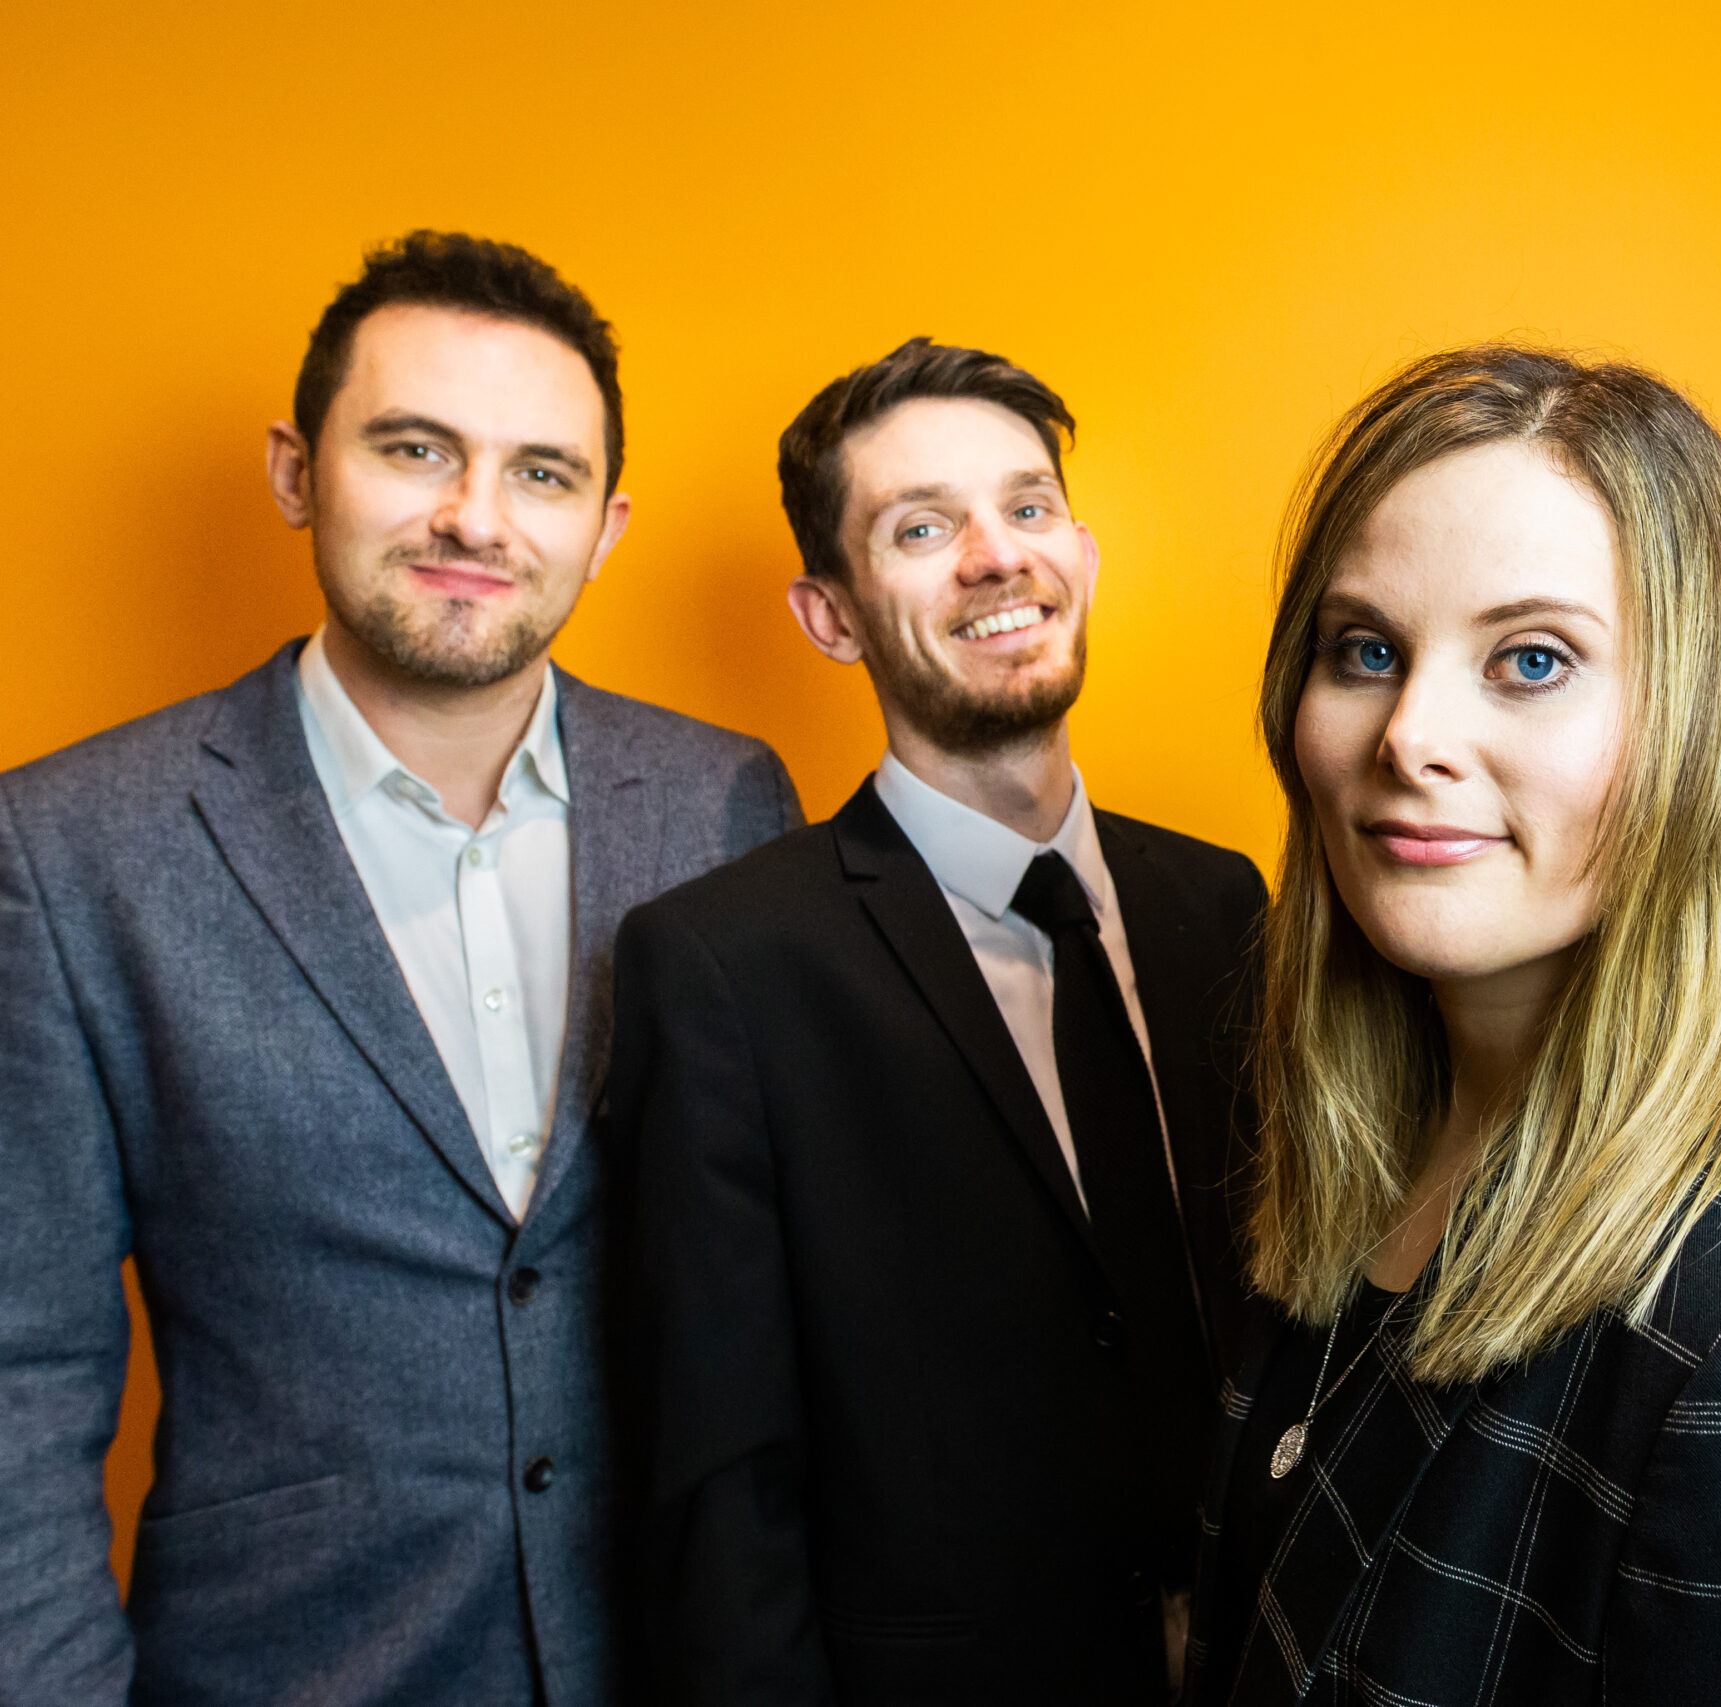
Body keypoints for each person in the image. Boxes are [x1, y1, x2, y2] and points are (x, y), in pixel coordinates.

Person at [0, 231, 803, 1707]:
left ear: (607, 526)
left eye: (541, 473)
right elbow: (16, 1377)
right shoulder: (67, 851)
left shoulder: (723, 803)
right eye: (415, 446)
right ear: (297, 471)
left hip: (684, 1669)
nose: (474, 516)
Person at [1184, 344, 1721, 1706]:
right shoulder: (1363, 1168)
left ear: (1707, 732)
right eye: (1365, 652)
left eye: (1530, 659)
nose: (1411, 735)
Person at [607, 337, 1268, 1704]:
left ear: (1078, 552)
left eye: (1027, 509)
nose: (994, 556)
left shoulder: (1222, 902)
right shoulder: (723, 965)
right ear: (830, 614)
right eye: (922, 528)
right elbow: (722, 1494)